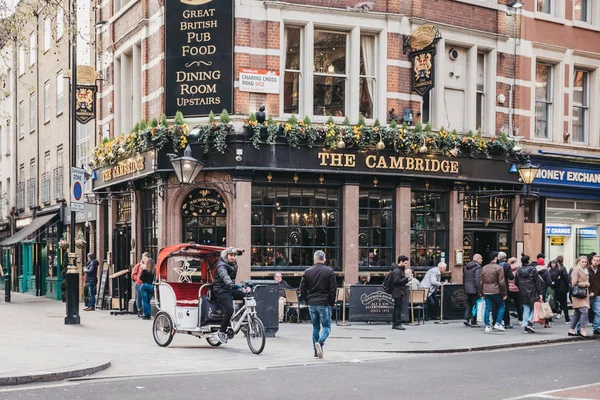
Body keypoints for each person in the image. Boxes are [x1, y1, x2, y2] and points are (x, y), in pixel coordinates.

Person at [299, 250, 336, 359]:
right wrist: (331, 302)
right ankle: (320, 342)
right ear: (324, 259)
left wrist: (307, 300)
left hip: (312, 303)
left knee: (315, 327)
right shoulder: (329, 271)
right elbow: (333, 289)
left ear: (314, 259)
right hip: (324, 303)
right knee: (327, 327)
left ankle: (316, 352)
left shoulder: (307, 271)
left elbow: (302, 289)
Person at [213, 247, 245, 344]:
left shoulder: (234, 264)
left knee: (246, 295)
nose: (233, 257)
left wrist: (238, 287)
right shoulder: (221, 264)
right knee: (230, 309)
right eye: (231, 255)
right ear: (226, 255)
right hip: (220, 290)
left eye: (234, 255)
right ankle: (221, 332)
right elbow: (224, 275)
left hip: (229, 288)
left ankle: (246, 320)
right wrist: (230, 284)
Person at [515, 255, 545, 333]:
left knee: (526, 308)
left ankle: (525, 324)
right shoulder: (533, 269)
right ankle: (529, 322)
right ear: (528, 261)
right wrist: (540, 293)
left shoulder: (519, 270)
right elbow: (537, 282)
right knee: (535, 308)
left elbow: (516, 282)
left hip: (522, 291)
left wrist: (521, 287)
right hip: (532, 291)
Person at [480, 251, 507, 333]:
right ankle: (498, 323)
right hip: (496, 289)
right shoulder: (499, 268)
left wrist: (481, 291)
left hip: (486, 290)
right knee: (501, 305)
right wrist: (505, 292)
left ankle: (487, 326)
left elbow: (481, 281)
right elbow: (501, 282)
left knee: (487, 308)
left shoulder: (484, 268)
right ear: (496, 257)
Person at [568, 256, 592, 338]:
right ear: (579, 261)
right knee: (584, 311)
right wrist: (585, 284)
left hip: (584, 294)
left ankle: (571, 330)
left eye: (585, 262)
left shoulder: (586, 270)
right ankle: (582, 330)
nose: (584, 263)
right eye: (582, 261)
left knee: (577, 313)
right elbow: (574, 283)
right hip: (577, 293)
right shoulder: (576, 270)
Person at [388, 256, 410, 330]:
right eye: (405, 263)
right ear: (401, 261)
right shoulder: (397, 270)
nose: (406, 265)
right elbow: (396, 281)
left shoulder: (397, 269)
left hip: (397, 291)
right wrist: (406, 279)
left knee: (396, 308)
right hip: (398, 291)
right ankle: (397, 324)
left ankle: (395, 324)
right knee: (398, 308)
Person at [493, 252, 515, 328]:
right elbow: (511, 277)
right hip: (504, 287)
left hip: (495, 287)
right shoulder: (506, 266)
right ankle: (507, 323)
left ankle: (495, 322)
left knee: (495, 306)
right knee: (505, 306)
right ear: (505, 258)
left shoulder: (494, 266)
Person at [463, 254, 483, 327]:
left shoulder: (466, 267)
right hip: (474, 289)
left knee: (469, 304)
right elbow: (477, 279)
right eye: (481, 259)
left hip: (467, 288)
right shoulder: (477, 267)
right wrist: (480, 290)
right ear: (477, 259)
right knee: (475, 305)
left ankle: (466, 318)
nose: (482, 260)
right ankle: (473, 321)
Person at [535, 257, 553, 328]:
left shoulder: (534, 270)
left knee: (535, 305)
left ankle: (533, 320)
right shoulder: (546, 271)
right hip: (543, 290)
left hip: (535, 289)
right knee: (544, 306)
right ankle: (547, 322)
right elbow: (549, 282)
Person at [131, 252, 149, 317]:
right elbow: (133, 275)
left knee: (144, 297)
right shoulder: (138, 265)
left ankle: (144, 311)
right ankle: (139, 310)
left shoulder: (149, 266)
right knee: (139, 296)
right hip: (138, 284)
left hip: (145, 284)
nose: (144, 259)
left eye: (146, 258)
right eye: (143, 258)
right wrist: (137, 279)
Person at [506, 257, 522, 323]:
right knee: (518, 305)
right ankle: (520, 319)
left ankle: (506, 320)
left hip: (509, 288)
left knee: (506, 305)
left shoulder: (507, 268)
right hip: (516, 288)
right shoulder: (519, 269)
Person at [588, 254, 600, 335]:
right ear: (591, 261)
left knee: (598, 312)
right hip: (588, 295)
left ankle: (596, 328)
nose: (596, 262)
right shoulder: (587, 270)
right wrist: (590, 291)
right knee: (583, 313)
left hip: (597, 294)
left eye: (597, 261)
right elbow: (586, 282)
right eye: (594, 260)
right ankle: (579, 328)